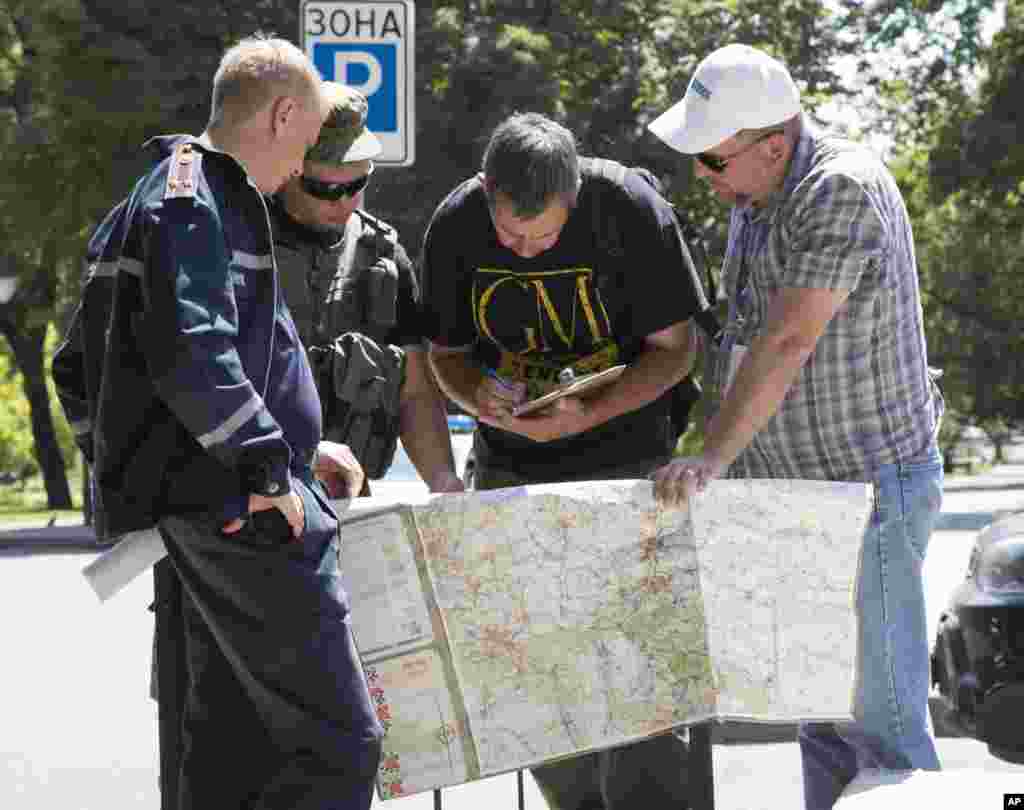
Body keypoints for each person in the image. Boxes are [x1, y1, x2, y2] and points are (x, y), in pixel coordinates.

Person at [52, 35, 384, 810]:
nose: (302, 166)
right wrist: (268, 468)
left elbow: (78, 365)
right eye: (303, 144)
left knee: (232, 750)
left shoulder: (171, 195)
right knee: (339, 746)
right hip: (243, 513)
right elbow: (192, 351)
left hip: (220, 506)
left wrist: (300, 445)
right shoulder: (195, 201)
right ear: (280, 114)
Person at [647, 44, 945, 809]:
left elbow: (786, 340)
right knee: (820, 727)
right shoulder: (756, 197)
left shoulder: (838, 188)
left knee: (883, 736)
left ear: (772, 144)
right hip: (798, 497)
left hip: (867, 492)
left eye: (713, 160)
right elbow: (743, 339)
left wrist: (710, 459)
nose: (704, 179)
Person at [420, 111, 706, 810]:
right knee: (541, 675)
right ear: (486, 190)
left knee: (640, 671)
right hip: (513, 469)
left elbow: (678, 349)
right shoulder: (454, 225)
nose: (522, 252)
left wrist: (590, 413)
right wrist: (478, 399)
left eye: (541, 235)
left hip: (629, 462)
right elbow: (445, 357)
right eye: (509, 235)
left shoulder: (631, 210)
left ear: (573, 199)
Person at [270, 81, 464, 495]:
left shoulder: (383, 258)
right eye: (326, 190)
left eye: (358, 185)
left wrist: (443, 480)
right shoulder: (237, 244)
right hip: (256, 495)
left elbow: (414, 390)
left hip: (347, 502)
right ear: (288, 170)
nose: (347, 203)